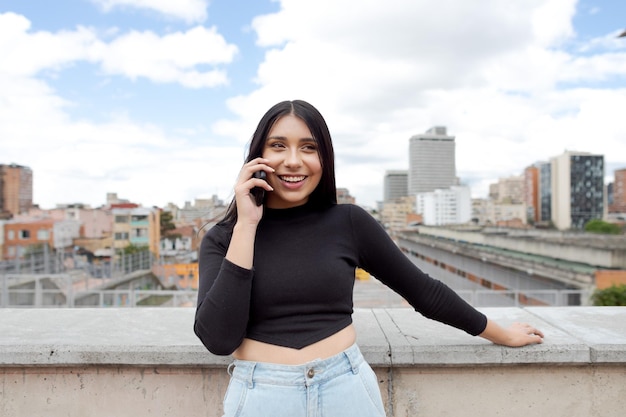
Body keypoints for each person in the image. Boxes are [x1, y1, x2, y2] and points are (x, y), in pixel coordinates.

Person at [194, 100, 544, 417]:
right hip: (261, 397)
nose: (293, 161)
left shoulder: (348, 222)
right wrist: (247, 226)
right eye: (278, 146)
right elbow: (219, 339)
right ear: (257, 156)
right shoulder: (223, 238)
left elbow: (423, 291)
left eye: (309, 148)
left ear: (324, 159)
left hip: (345, 389)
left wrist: (502, 335)